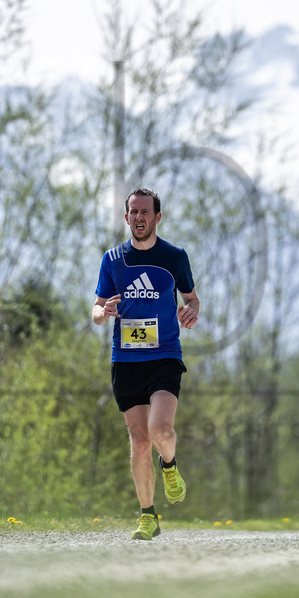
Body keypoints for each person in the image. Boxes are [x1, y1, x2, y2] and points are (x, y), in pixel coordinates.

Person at [92, 188, 200, 541]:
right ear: (126, 218)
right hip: (126, 360)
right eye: (133, 212)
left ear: (157, 217)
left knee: (162, 431)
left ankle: (169, 464)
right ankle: (147, 515)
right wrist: (102, 312)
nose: (139, 217)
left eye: (145, 212)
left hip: (165, 356)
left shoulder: (174, 257)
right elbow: (96, 309)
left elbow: (191, 298)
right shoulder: (112, 260)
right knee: (139, 443)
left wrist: (191, 311)